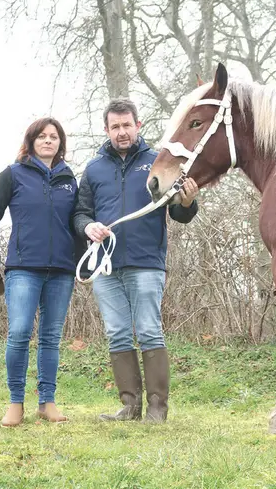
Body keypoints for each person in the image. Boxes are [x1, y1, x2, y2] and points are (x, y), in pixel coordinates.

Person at [73, 98, 199, 422]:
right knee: (116, 333)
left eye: (127, 124)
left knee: (148, 331)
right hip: (105, 265)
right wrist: (88, 226)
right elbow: (80, 212)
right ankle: (129, 407)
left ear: (137, 125)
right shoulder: (94, 169)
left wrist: (188, 203)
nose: (122, 132)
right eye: (115, 127)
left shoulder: (158, 162)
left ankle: (157, 410)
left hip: (146, 262)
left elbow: (178, 212)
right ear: (106, 130)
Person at [0, 117, 80, 427]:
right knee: (20, 333)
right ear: (32, 140)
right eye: (42, 136)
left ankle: (47, 402)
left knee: (50, 338)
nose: (48, 141)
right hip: (23, 268)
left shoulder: (69, 180)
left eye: (54, 136)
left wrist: (82, 259)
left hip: (62, 271)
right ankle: (15, 403)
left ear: (61, 143)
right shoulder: (13, 174)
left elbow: (77, 222)